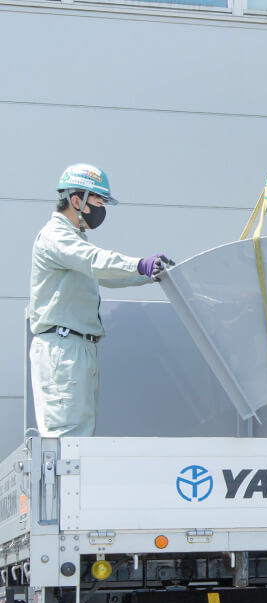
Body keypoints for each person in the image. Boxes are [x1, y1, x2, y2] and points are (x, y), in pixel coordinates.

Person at [28, 164, 172, 437]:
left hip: (75, 346)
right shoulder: (56, 236)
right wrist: (140, 264)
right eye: (98, 201)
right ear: (76, 200)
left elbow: (105, 275)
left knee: (80, 436)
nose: (101, 209)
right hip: (63, 347)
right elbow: (95, 262)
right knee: (69, 437)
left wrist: (149, 274)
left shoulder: (72, 238)